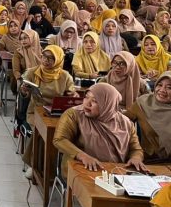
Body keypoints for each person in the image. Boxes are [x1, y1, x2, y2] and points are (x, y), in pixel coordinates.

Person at [53, 83, 145, 177]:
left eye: (95, 101)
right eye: (86, 97)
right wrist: (83, 156)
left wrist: (136, 158)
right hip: (81, 168)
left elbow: (136, 149)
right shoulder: (73, 115)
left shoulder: (126, 123)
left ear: (108, 104)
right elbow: (60, 140)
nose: (87, 103)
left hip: (115, 172)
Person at [20, 45, 77, 176]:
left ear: (58, 60)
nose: (46, 61)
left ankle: (55, 169)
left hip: (58, 112)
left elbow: (72, 95)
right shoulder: (32, 72)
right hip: (36, 110)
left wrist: (71, 96)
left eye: (51, 58)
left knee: (60, 133)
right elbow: (24, 95)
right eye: (44, 57)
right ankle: (35, 166)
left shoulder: (65, 76)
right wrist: (23, 91)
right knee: (40, 131)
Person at [125, 72, 171, 161]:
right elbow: (121, 121)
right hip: (148, 160)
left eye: (169, 87)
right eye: (159, 85)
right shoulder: (143, 103)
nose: (162, 90)